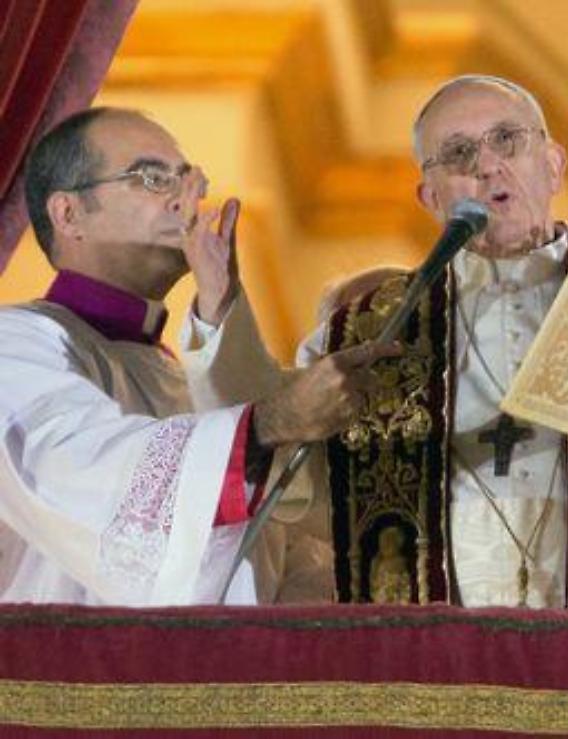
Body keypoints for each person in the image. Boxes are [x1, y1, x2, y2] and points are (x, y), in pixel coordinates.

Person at [301, 75, 568, 607]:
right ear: (430, 197)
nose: (487, 166)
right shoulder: (364, 333)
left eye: (507, 139)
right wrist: (217, 320)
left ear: (553, 165)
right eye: (458, 154)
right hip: (435, 641)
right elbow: (281, 466)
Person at [0, 107, 395, 606]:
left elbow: (281, 561)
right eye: (152, 178)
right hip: (72, 655)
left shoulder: (192, 377)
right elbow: (81, 470)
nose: (182, 200)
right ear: (68, 213)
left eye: (187, 180)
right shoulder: (17, 342)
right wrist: (271, 423)